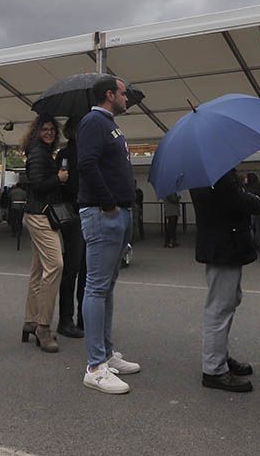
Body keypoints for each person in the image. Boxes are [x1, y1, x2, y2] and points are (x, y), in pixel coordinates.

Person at [76, 76, 140, 394]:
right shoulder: (93, 122)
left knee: (106, 287)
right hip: (104, 214)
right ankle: (95, 367)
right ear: (110, 94)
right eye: (124, 93)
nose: (127, 98)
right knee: (97, 288)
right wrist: (109, 204)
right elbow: (86, 164)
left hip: (117, 214)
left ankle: (106, 354)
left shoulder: (109, 124)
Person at [192, 169, 260, 392]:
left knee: (225, 303)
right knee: (220, 307)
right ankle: (214, 368)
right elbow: (233, 200)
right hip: (224, 243)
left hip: (219, 242)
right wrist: (254, 199)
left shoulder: (203, 168)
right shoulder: (217, 171)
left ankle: (219, 357)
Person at [20, 114, 67, 353]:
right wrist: (57, 178)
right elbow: (37, 184)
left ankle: (30, 321)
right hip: (41, 215)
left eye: (52, 129)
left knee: (38, 269)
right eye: (44, 129)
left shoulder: (40, 151)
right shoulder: (38, 153)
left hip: (38, 214)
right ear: (37, 131)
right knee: (55, 265)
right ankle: (43, 326)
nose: (49, 132)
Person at [56, 116, 85, 338]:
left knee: (77, 269)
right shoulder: (67, 154)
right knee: (76, 269)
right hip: (78, 213)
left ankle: (75, 318)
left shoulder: (66, 153)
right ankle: (69, 319)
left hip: (76, 213)